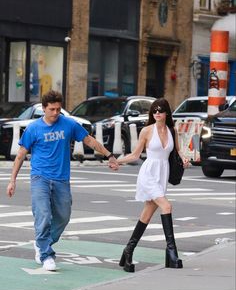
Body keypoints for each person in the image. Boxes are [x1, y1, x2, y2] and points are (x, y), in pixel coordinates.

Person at [6, 90, 119, 271]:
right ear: (44, 109)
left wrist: (110, 155)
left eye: (59, 109)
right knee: (43, 215)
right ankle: (46, 255)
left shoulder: (68, 124)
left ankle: (42, 242)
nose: (56, 113)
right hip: (40, 178)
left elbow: (89, 140)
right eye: (52, 109)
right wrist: (12, 180)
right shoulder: (34, 128)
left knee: (63, 216)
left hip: (61, 179)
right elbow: (20, 156)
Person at [117, 97, 189, 272]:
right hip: (149, 173)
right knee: (166, 206)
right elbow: (135, 155)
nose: (157, 113)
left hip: (162, 175)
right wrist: (118, 161)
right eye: (154, 111)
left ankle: (128, 251)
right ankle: (172, 252)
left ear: (166, 113)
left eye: (160, 110)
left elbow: (178, 151)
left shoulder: (172, 131)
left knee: (147, 216)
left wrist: (185, 158)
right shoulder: (147, 131)